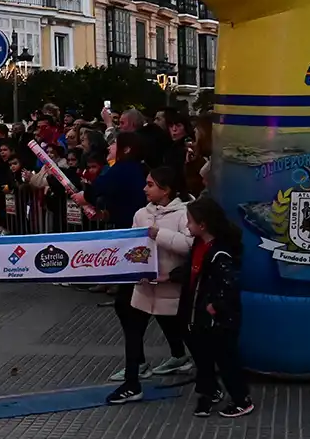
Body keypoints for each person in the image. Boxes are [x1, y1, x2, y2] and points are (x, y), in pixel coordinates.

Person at [106, 167, 194, 405]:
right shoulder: (140, 214)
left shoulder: (184, 214)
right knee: (133, 331)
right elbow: (134, 246)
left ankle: (205, 376)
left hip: (172, 289)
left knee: (185, 333)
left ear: (166, 190)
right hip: (144, 288)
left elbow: (189, 245)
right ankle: (132, 382)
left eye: (150, 184)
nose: (145, 188)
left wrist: (159, 234)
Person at [179, 197, 254, 418]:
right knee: (202, 358)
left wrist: (215, 307)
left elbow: (229, 285)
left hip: (217, 320)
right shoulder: (199, 245)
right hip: (195, 314)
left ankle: (241, 399)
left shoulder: (220, 253)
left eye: (190, 221)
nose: (187, 226)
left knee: (226, 358)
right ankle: (209, 392)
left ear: (202, 225)